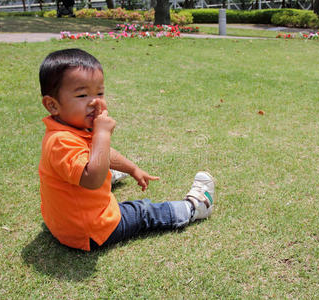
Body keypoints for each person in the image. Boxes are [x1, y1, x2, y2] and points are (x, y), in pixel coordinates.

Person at [38, 48, 215, 251]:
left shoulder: (68, 129)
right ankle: (195, 206)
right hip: (90, 230)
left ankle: (109, 171)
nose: (95, 102)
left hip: (65, 223)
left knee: (98, 162)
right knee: (142, 212)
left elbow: (103, 152)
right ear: (52, 105)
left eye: (100, 93)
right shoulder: (61, 141)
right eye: (82, 95)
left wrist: (132, 168)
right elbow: (93, 180)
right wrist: (102, 134)